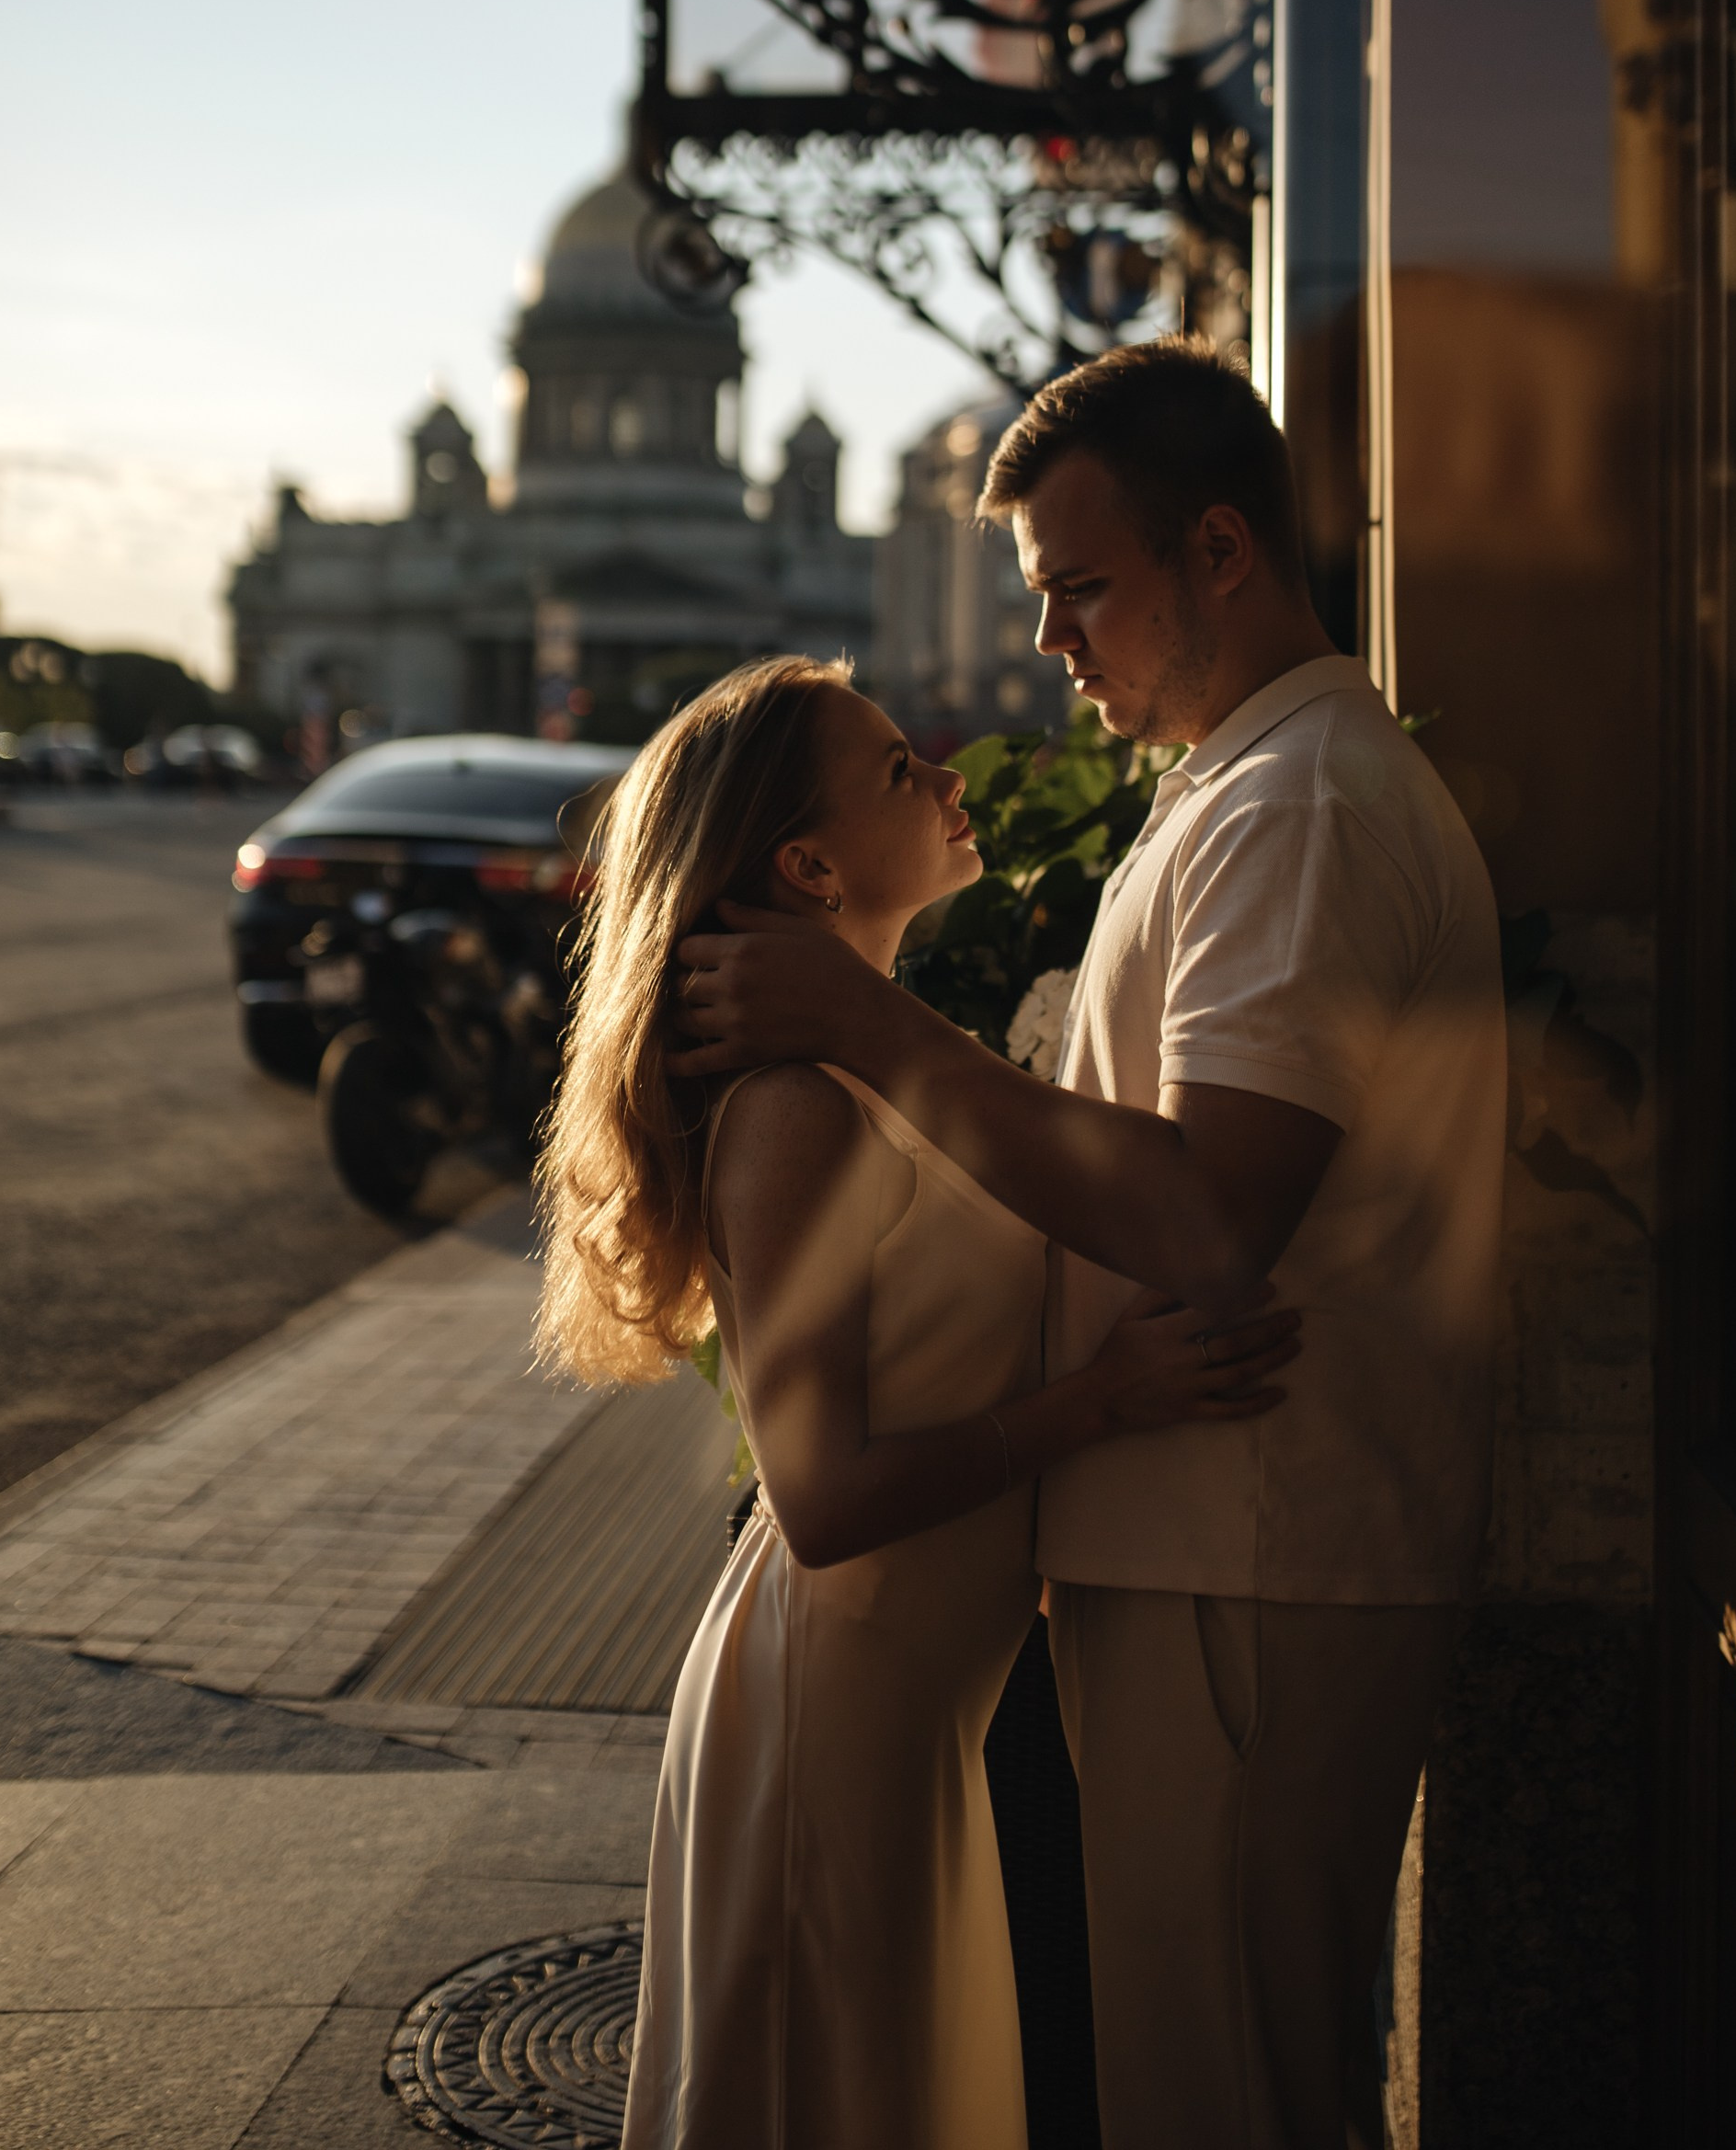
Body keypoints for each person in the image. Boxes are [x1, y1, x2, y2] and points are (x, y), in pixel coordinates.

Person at [673, 341, 1509, 2150]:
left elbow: (1209, 1215)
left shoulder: (1292, 806)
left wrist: (873, 1020)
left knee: (1216, 2087)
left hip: (1251, 1544)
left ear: (1218, 549)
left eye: (1080, 588)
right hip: (1212, 1541)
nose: (1048, 639)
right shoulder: (1239, 785)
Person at [534, 652, 1300, 2150]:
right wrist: (1101, 1400)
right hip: (839, 1706)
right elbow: (818, 1497)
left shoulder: (874, 1067)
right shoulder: (796, 1112)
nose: (948, 774)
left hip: (910, 1704)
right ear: (809, 867)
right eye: (898, 769)